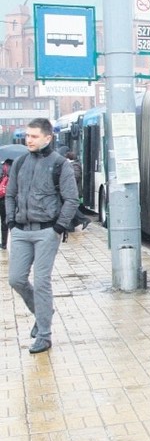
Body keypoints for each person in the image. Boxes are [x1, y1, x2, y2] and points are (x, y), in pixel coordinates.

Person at [5, 118, 79, 354]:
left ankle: (44, 336)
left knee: (42, 281)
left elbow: (71, 199)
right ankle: (43, 311)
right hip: (20, 230)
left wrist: (58, 227)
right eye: (27, 136)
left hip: (47, 231)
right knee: (15, 279)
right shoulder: (20, 162)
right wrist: (10, 222)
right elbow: (10, 194)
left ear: (48, 138)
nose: (29, 140)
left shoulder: (60, 164)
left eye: (34, 136)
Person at [66, 151, 91, 230]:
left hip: (73, 191)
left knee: (70, 207)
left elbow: (75, 176)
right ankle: (73, 225)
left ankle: (84, 220)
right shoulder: (71, 165)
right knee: (69, 207)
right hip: (70, 191)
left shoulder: (75, 165)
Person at [0, 159, 12, 249]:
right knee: (5, 222)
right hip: (6, 200)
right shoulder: (13, 173)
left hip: (3, 199)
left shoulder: (3, 174)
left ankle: (4, 243)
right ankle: (4, 243)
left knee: (4, 221)